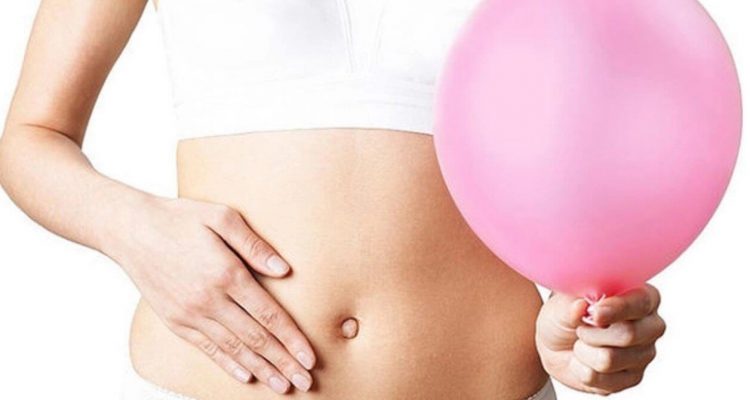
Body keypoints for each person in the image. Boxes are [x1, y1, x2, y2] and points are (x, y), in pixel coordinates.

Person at [0, 0, 666, 399]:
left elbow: (602, 150)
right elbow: (31, 137)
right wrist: (134, 230)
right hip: (210, 384)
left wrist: (583, 322)